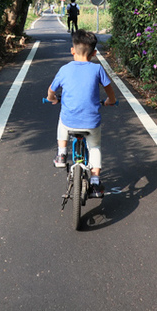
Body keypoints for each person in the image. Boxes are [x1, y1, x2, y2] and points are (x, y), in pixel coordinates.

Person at [47, 30, 116, 198]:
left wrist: (53, 99)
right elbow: (110, 93)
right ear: (94, 53)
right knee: (95, 147)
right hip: (91, 123)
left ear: (72, 50)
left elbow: (51, 91)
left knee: (62, 122)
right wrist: (110, 101)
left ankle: (62, 154)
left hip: (70, 121)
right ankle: (95, 181)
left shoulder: (64, 69)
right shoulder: (97, 69)